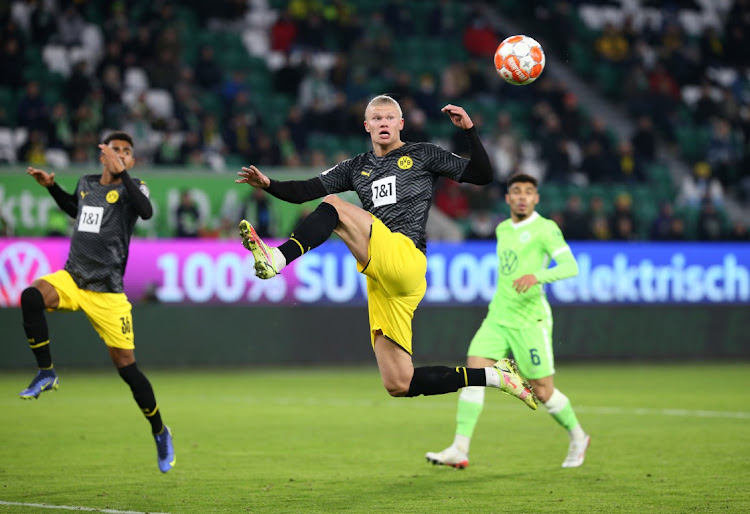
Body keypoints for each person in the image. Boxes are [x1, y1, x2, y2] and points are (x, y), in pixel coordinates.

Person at [235, 94, 538, 408]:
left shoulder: (422, 154)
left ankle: (278, 258)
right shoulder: (357, 167)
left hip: (405, 257)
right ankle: (496, 376)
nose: (383, 123)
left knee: (334, 206)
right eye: (377, 118)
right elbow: (304, 191)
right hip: (383, 280)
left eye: (390, 117)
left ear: (401, 124)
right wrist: (269, 183)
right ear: (367, 126)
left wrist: (469, 131)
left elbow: (482, 175)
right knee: (399, 383)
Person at [20, 132, 175, 473]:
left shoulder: (138, 187)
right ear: (102, 155)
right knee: (31, 295)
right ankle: (46, 371)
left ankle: (160, 431)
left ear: (132, 161)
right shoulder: (86, 182)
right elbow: (77, 209)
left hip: (108, 292)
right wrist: (51, 187)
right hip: (74, 278)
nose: (121, 154)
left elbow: (146, 213)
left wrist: (124, 175)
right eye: (115, 149)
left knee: (128, 369)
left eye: (127, 152)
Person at [425, 173, 589, 470]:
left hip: (530, 321)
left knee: (542, 390)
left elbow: (570, 266)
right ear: (508, 198)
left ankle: (578, 436)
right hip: (498, 317)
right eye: (517, 191)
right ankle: (459, 448)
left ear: (536, 198)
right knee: (473, 372)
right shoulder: (502, 229)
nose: (523, 196)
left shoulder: (545, 229)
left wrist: (536, 276)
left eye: (529, 192)